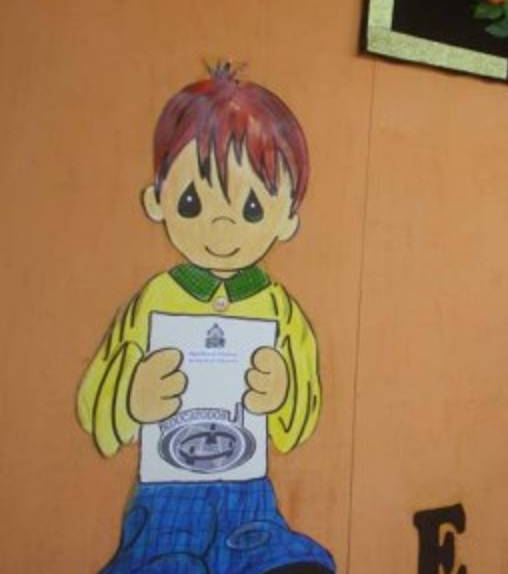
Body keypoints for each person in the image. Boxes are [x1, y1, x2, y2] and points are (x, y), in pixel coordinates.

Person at [76, 63, 335, 573]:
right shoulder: (156, 299)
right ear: (157, 200)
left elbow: (300, 414)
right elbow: (97, 399)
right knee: (168, 561)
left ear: (287, 218)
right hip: (167, 497)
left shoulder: (278, 308)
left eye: (252, 209)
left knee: (278, 556)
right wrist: (131, 398)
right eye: (193, 201)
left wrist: (283, 392)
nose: (222, 226)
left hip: (248, 497)